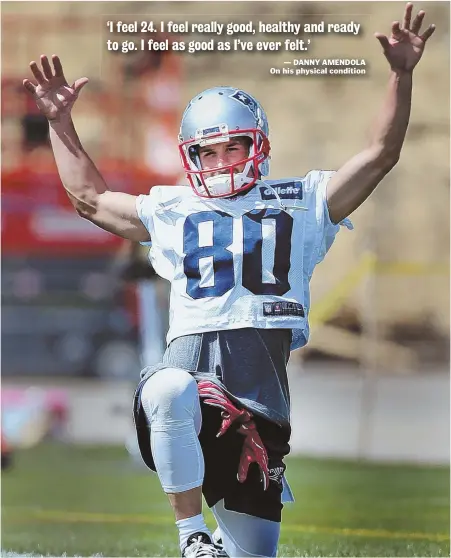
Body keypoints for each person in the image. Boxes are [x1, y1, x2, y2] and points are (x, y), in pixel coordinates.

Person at [23, 4, 434, 556]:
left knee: (251, 553)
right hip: (189, 395)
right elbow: (90, 199)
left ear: (257, 145)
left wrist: (401, 76)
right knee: (169, 387)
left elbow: (381, 154)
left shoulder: (302, 204)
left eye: (231, 148)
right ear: (190, 157)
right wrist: (58, 120)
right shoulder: (174, 208)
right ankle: (191, 535)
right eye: (207, 153)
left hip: (260, 413)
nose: (219, 163)